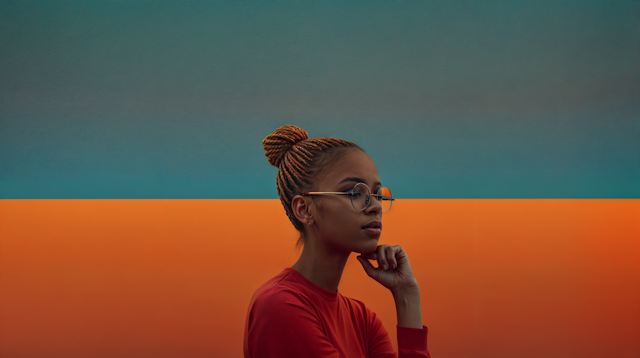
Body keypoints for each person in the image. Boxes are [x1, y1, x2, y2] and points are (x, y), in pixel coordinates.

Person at [243, 125, 430, 358]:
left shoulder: (363, 321)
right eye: (354, 193)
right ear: (304, 209)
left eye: (378, 194)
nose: (375, 206)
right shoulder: (278, 306)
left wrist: (406, 295)